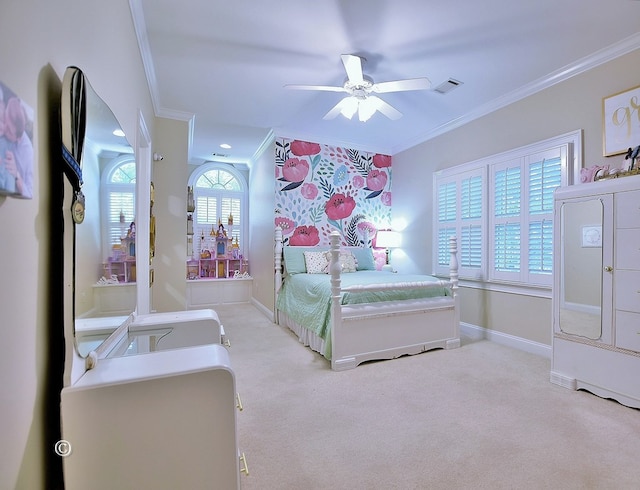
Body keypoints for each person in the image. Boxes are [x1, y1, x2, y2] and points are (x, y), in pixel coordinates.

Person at [3, 96, 34, 198]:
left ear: (18, 138)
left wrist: (16, 174)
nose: (5, 129)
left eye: (9, 130)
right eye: (5, 122)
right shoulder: (4, 125)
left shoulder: (28, 153)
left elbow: (29, 193)